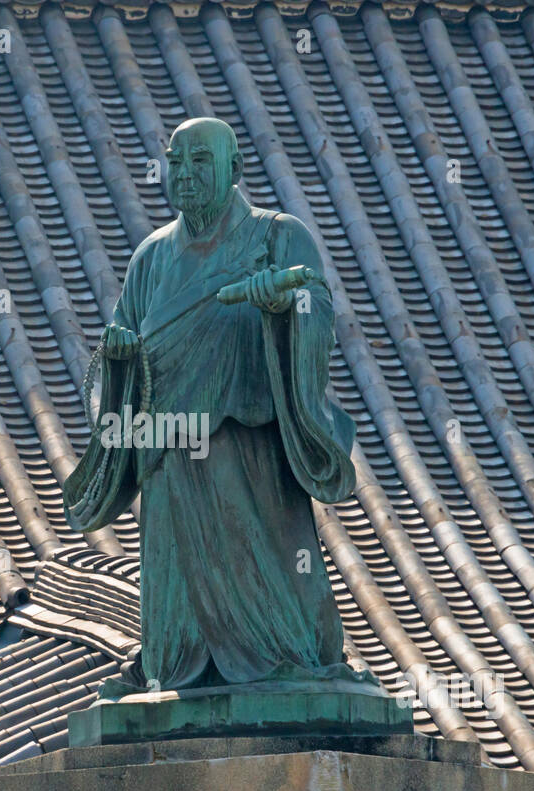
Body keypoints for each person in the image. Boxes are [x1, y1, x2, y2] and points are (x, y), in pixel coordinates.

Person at [64, 117, 359, 692]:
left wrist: (286, 305)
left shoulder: (278, 236)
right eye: (176, 161)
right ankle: (171, 666)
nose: (186, 175)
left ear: (235, 170)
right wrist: (120, 353)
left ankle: (283, 655)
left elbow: (317, 314)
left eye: (201, 161)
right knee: (174, 597)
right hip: (170, 453)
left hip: (247, 445)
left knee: (265, 569)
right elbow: (119, 348)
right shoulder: (150, 259)